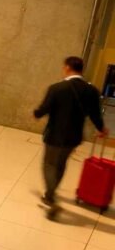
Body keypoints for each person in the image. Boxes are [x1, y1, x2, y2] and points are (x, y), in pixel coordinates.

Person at [33, 56, 107, 220]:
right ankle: (50, 194)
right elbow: (95, 114)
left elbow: (44, 109)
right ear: (81, 69)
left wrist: (36, 114)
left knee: (49, 165)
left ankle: (51, 197)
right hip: (73, 137)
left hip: (54, 135)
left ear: (67, 68)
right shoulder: (92, 91)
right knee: (61, 164)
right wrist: (101, 129)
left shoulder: (57, 88)